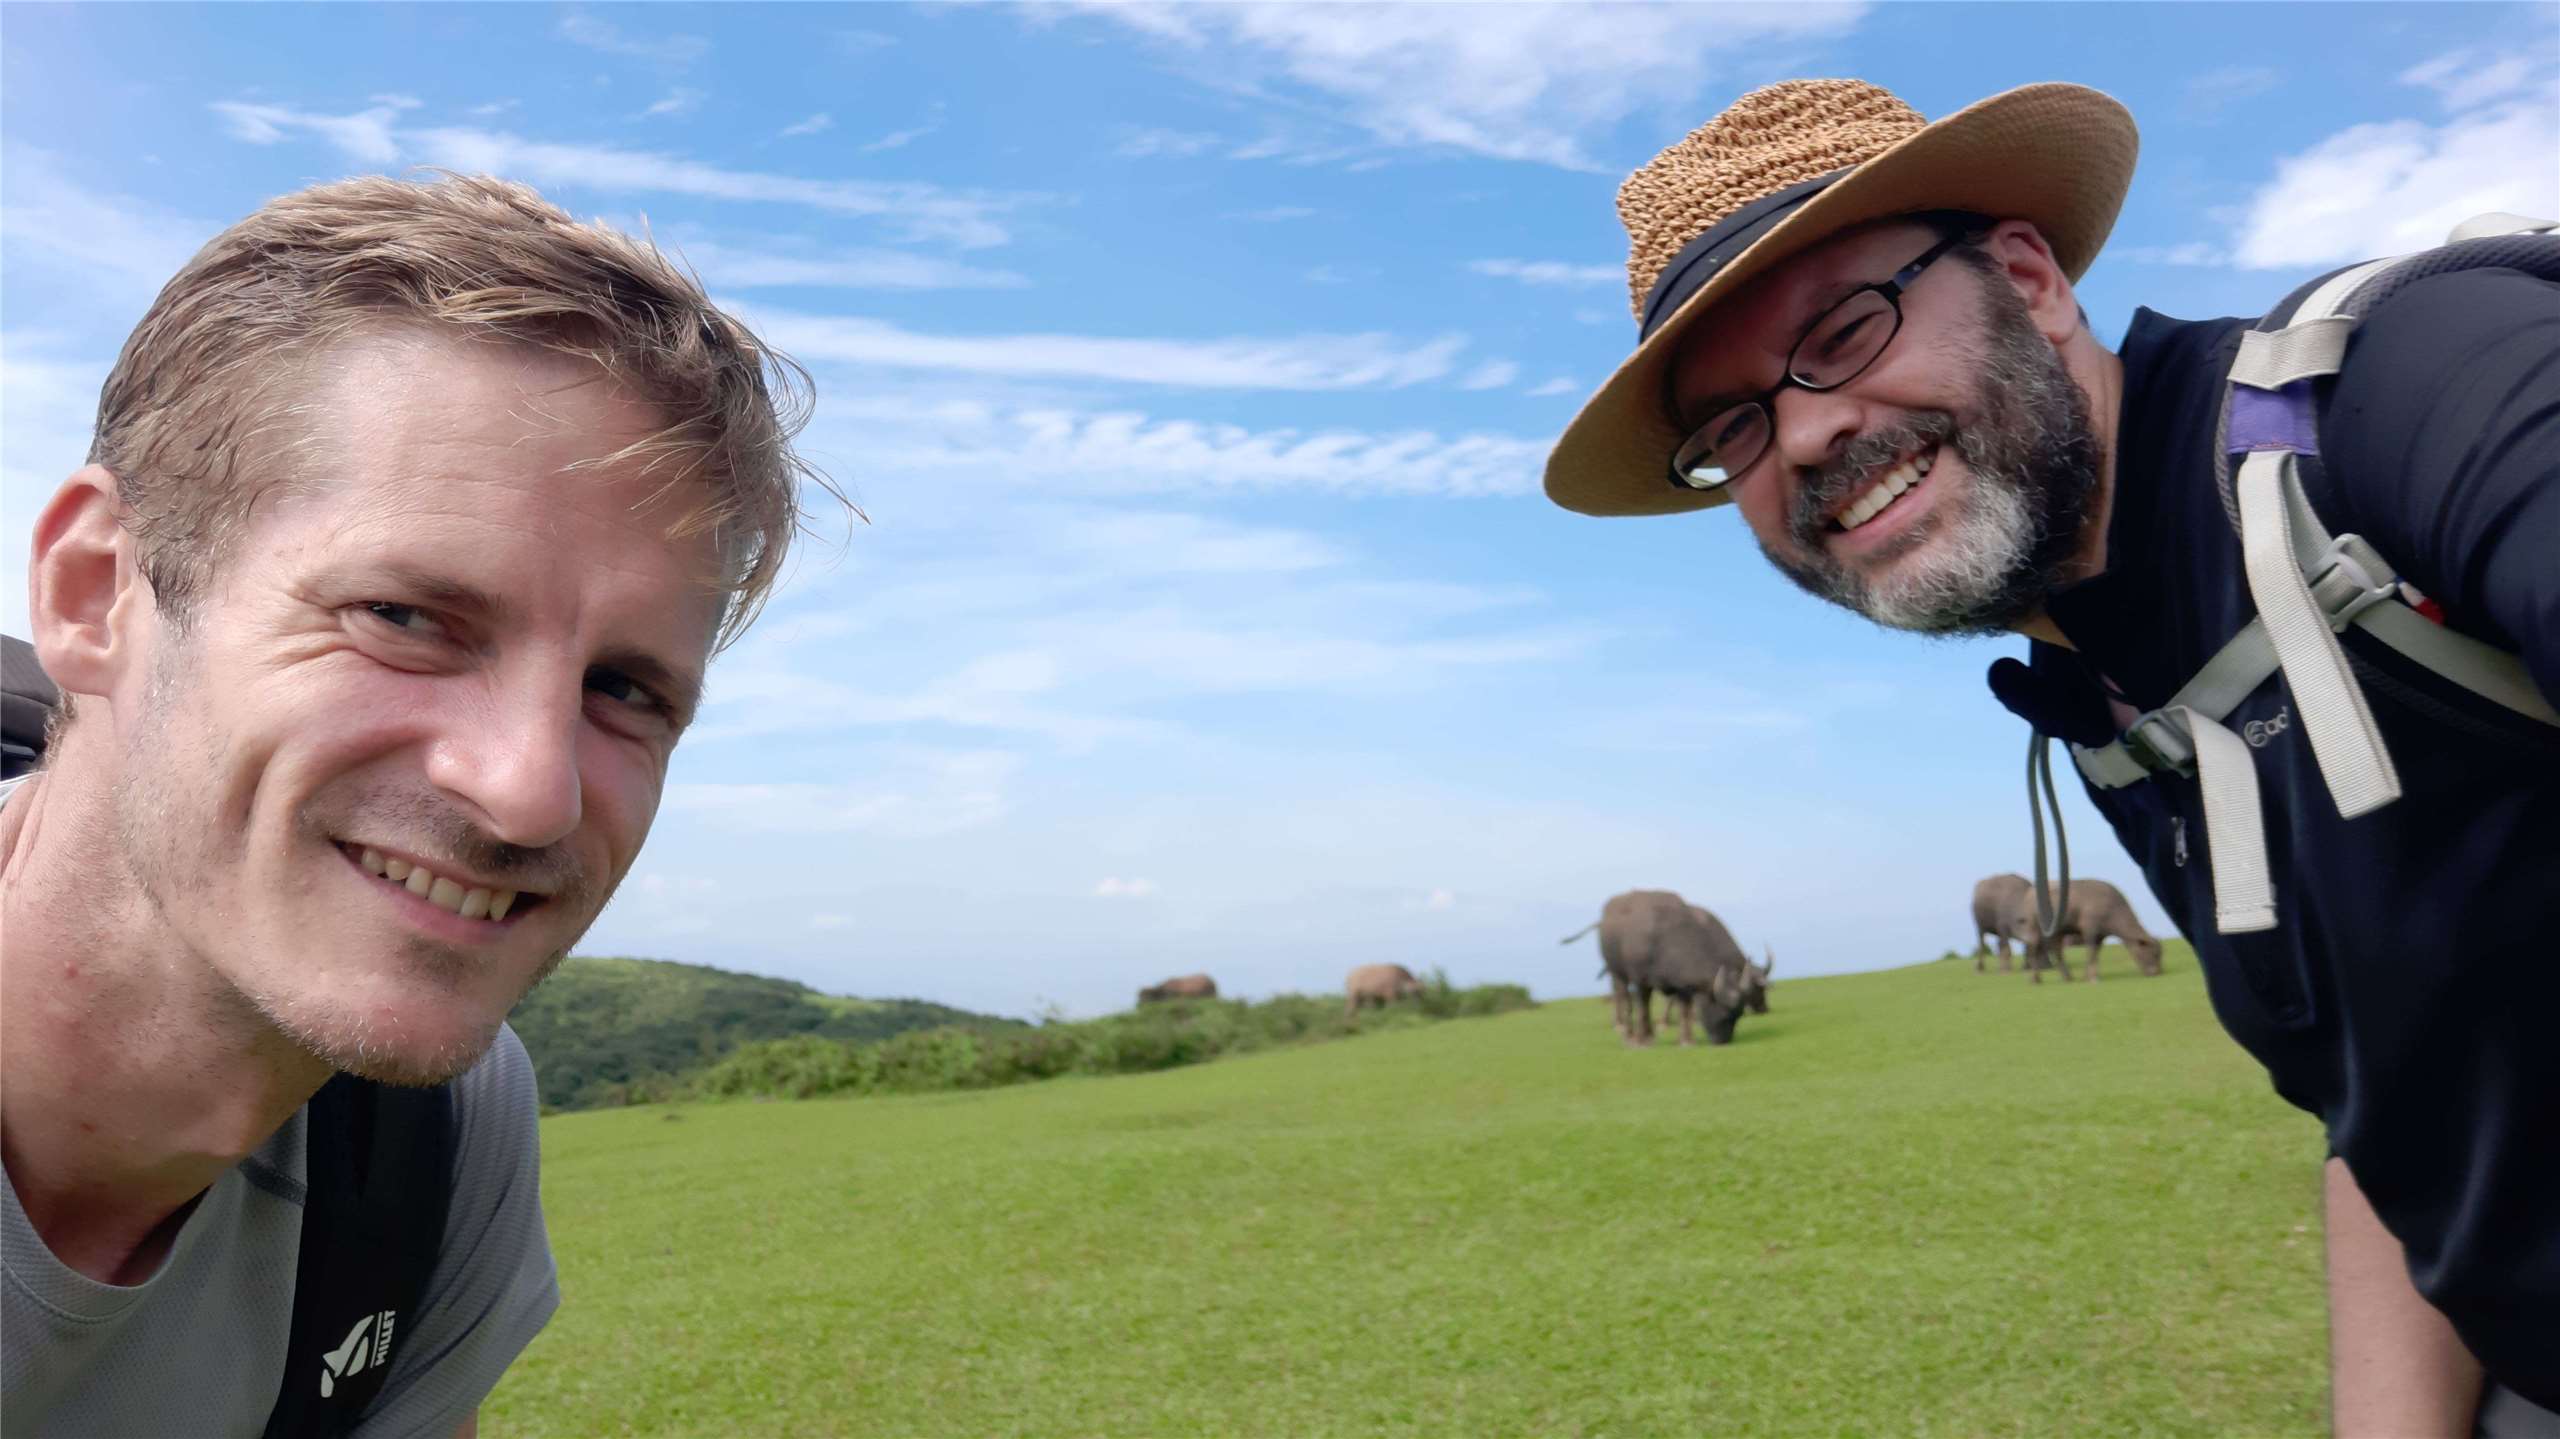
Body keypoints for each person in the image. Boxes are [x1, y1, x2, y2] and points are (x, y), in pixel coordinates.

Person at [1543, 80, 2558, 1432]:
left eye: (1844, 329)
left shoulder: (2421, 390)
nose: (1804, 432)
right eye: (1732, 426)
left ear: (2030, 281)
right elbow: (2400, 1108)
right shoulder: (2115, 708)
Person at [2, 174, 835, 1433]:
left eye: (623, 688)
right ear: (95, 591)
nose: (529, 792)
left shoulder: (438, 1145)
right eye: (402, 617)